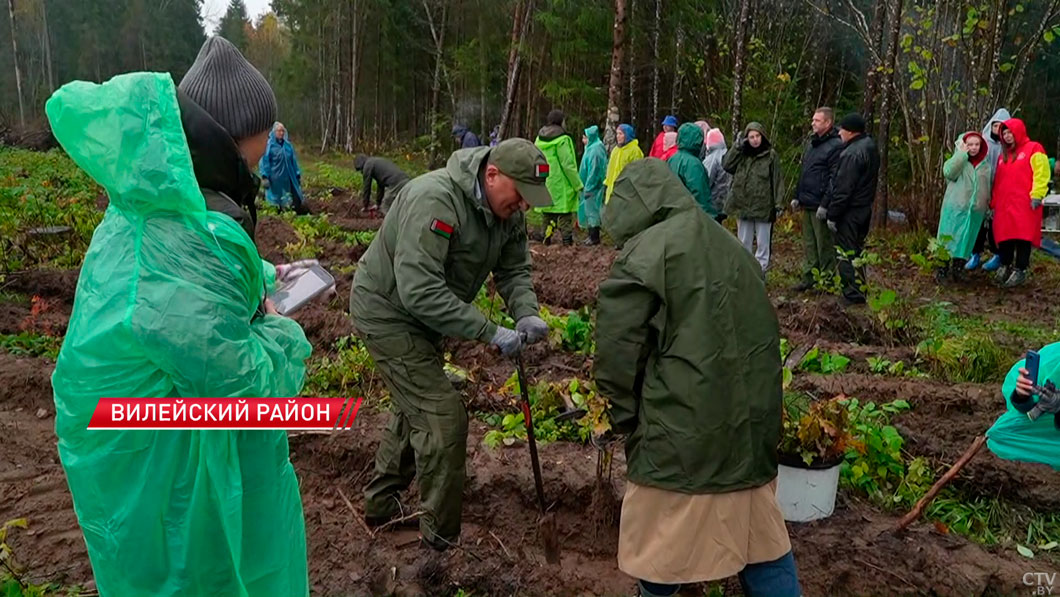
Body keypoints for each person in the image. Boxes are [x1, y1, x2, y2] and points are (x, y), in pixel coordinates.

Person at [46, 37, 312, 596]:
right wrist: (285, 336)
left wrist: (260, 276)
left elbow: (179, 289)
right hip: (160, 455)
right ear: (237, 136)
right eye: (263, 137)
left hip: (127, 434)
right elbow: (244, 389)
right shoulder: (196, 239)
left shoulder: (152, 199)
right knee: (196, 572)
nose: (268, 154)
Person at [594, 159, 801, 597]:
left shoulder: (646, 255)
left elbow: (617, 355)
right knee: (760, 538)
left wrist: (628, 422)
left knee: (661, 546)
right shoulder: (732, 248)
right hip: (752, 424)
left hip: (683, 432)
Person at [350, 138, 552, 551]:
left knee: (415, 405)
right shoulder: (435, 199)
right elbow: (419, 291)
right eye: (521, 196)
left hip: (424, 319)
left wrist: (526, 311)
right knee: (443, 417)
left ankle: (379, 504)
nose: (525, 208)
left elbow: (513, 268)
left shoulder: (506, 211)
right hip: (388, 312)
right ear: (492, 174)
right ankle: (440, 542)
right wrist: (490, 331)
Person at [826, 113, 880, 306]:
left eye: (842, 129)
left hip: (851, 211)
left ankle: (853, 294)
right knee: (857, 250)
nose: (839, 132)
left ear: (850, 132)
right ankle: (859, 289)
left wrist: (833, 214)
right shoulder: (869, 146)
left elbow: (843, 188)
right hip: (863, 209)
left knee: (846, 252)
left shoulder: (852, 153)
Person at [990, 118, 1050, 288]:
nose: (1008, 136)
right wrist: (994, 203)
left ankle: (1020, 269)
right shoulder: (1003, 155)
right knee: (1004, 236)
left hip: (1025, 203)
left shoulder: (1034, 148)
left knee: (1023, 236)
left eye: (1010, 132)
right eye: (1004, 133)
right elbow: (998, 181)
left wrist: (1037, 195)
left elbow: (1042, 172)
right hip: (1004, 204)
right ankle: (1005, 265)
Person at [791, 107, 843, 292]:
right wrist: (797, 196)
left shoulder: (835, 146)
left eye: (817, 120)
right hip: (807, 202)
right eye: (813, 120)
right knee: (810, 244)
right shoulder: (812, 144)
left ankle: (826, 281)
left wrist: (825, 204)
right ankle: (810, 278)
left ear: (828, 123)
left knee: (824, 246)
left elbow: (833, 178)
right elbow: (805, 173)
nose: (813, 123)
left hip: (820, 204)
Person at [723, 122, 784, 272]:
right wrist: (736, 147)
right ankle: (745, 271)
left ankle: (761, 271)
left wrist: (779, 204)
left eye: (757, 136)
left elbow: (777, 180)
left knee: (763, 244)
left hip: (763, 205)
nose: (755, 139)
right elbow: (727, 165)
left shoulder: (771, 155)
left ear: (762, 137)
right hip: (742, 204)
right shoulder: (742, 154)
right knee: (744, 242)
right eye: (751, 137)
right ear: (746, 139)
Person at [935, 131, 991, 282]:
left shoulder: (985, 166)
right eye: (970, 144)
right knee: (948, 239)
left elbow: (987, 186)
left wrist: (985, 206)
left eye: (977, 144)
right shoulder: (958, 161)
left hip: (974, 212)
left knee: (966, 240)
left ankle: (958, 269)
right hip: (955, 208)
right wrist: (961, 155)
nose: (973, 148)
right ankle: (942, 270)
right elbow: (948, 172)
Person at [968, 108, 1011, 272]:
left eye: (1001, 127)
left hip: (999, 190)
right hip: (981, 188)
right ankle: (975, 253)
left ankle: (997, 254)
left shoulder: (1007, 146)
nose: (997, 130)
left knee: (995, 224)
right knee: (978, 223)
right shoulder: (982, 142)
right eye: (995, 126)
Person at [534, 109, 583, 246]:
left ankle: (546, 238)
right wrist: (577, 184)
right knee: (565, 214)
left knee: (547, 213)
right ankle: (567, 241)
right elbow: (567, 165)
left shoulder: (539, 138)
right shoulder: (563, 139)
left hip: (545, 180)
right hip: (561, 182)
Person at [260, 121, 307, 213]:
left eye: (283, 131)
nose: (281, 133)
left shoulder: (288, 146)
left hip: (287, 178)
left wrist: (297, 174)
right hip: (274, 179)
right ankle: (274, 214)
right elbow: (265, 161)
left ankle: (289, 213)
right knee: (275, 199)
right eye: (279, 131)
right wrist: (265, 176)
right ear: (274, 132)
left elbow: (293, 161)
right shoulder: (269, 145)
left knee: (289, 197)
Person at [668, 122, 714, 216]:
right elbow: (700, 193)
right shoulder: (693, 164)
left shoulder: (672, 159)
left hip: (673, 213)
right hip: (689, 215)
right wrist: (710, 217)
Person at [579, 124, 608, 245]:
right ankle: (591, 235)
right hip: (589, 185)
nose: (583, 140)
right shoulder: (591, 148)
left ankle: (594, 237)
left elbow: (595, 170)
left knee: (593, 211)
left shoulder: (595, 150)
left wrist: (589, 186)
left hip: (593, 186)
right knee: (589, 210)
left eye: (584, 137)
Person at [605, 123, 644, 204]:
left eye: (620, 134)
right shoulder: (615, 150)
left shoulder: (635, 151)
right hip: (611, 190)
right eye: (617, 133)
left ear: (627, 135)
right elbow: (610, 169)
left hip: (625, 193)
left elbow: (637, 173)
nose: (618, 136)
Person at [702, 127, 731, 221]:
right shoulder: (728, 154)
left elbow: (706, 180)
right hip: (727, 202)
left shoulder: (711, 159)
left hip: (715, 202)